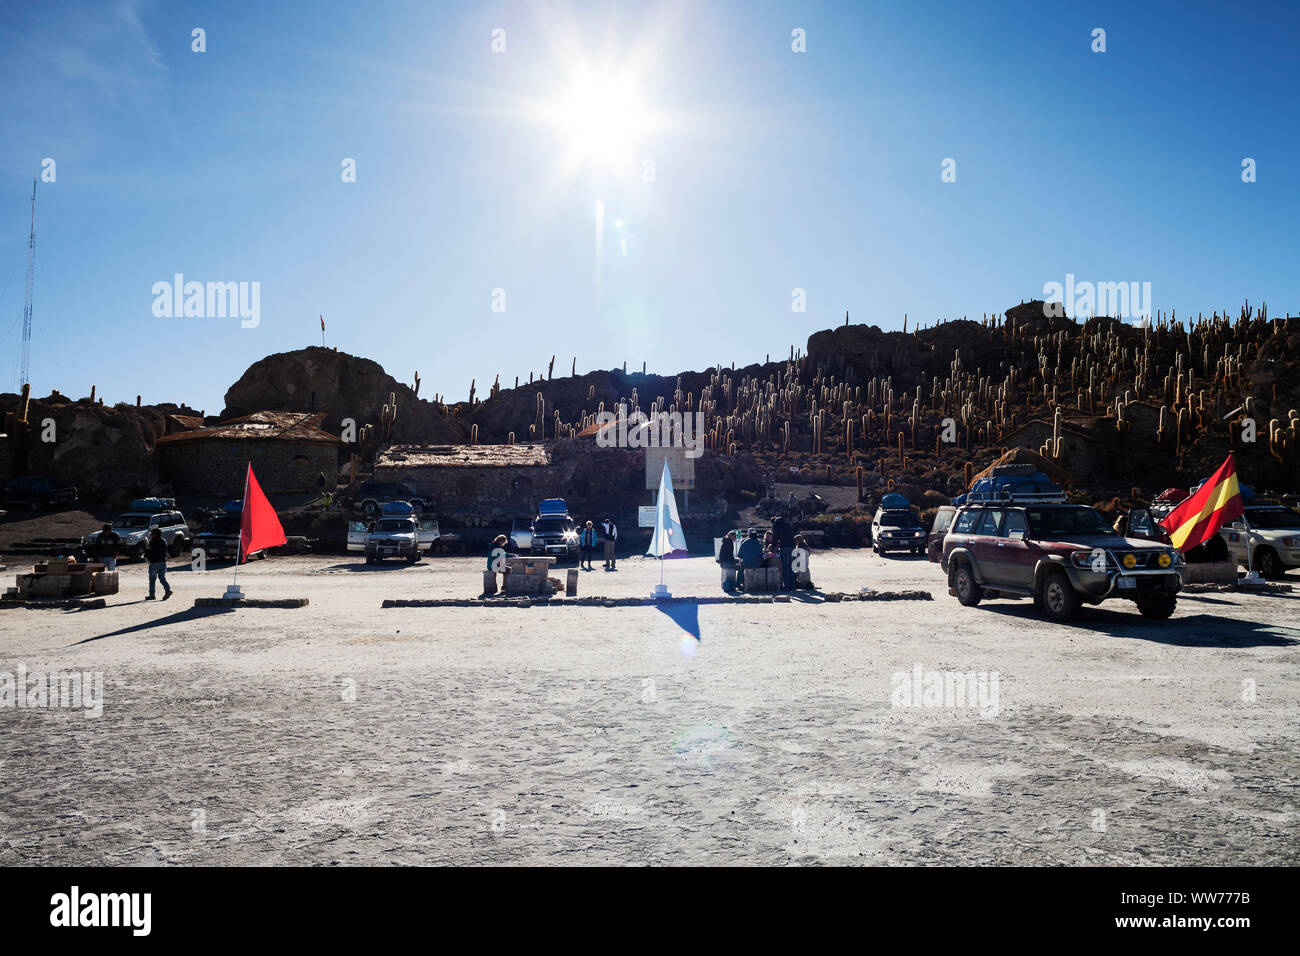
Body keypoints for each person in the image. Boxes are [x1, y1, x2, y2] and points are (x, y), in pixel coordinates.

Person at [145, 528, 172, 601]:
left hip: (154, 563)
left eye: (152, 533)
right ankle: (167, 590)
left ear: (155, 534)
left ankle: (152, 595)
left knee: (152, 580)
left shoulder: (152, 542)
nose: (151, 535)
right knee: (162, 578)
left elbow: (148, 551)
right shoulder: (164, 541)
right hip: (163, 563)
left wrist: (146, 556)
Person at [772, 514, 796, 590]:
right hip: (792, 546)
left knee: (785, 568)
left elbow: (775, 537)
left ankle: (787, 587)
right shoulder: (787, 524)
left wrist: (772, 546)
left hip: (784, 547)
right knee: (791, 567)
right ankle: (793, 586)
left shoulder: (776, 525)